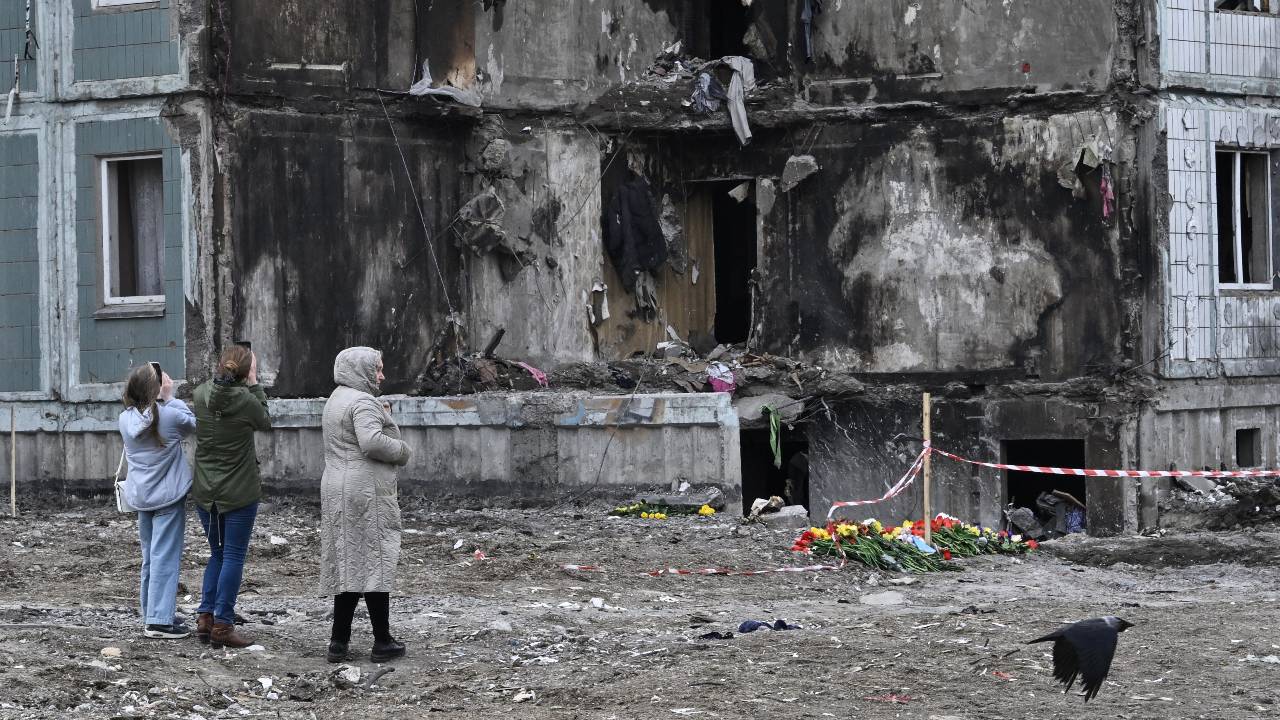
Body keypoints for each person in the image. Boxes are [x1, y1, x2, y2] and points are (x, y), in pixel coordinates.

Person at [319, 347, 412, 663]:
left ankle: (338, 642)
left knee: (349, 562)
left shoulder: (337, 398)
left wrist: (380, 413)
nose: (382, 375)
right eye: (378, 369)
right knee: (376, 562)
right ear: (362, 370)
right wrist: (401, 450)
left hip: (337, 487)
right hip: (364, 492)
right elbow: (371, 443)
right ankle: (382, 641)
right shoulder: (362, 402)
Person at [191, 345, 271, 648]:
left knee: (218, 553)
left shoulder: (199, 394)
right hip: (238, 491)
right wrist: (254, 382)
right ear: (245, 370)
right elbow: (264, 420)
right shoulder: (246, 400)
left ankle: (205, 617)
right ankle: (223, 625)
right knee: (234, 555)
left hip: (205, 490)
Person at [119, 364, 197, 639]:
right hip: (167, 497)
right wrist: (171, 395)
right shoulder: (170, 415)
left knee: (149, 558)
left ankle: (152, 613)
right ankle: (159, 622)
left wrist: (158, 397)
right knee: (165, 557)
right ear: (155, 389)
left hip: (142, 496)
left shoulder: (125, 419)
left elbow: (147, 416)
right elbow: (193, 424)